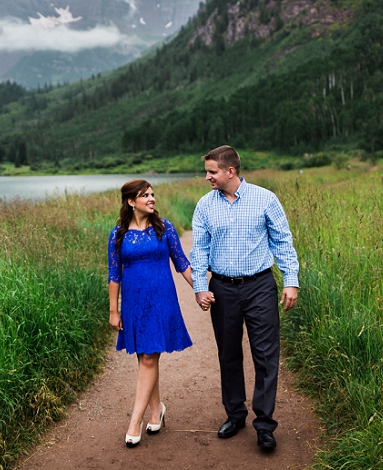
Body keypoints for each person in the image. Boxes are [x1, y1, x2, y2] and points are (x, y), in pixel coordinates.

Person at [190, 145, 299, 451]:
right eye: (207, 172)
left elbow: (283, 242)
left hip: (260, 286)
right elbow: (199, 250)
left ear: (230, 171)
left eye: (212, 172)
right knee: (228, 353)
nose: (208, 177)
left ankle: (264, 424)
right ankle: (235, 414)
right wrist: (201, 286)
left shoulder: (266, 199)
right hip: (222, 289)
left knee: (265, 356)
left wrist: (291, 281)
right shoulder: (204, 206)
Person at [108, 179, 199, 447]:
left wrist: (201, 290)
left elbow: (182, 264)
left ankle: (134, 421)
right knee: (145, 357)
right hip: (135, 303)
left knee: (148, 357)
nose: (151, 199)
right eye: (144, 195)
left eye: (152, 194)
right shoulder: (118, 234)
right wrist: (114, 311)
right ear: (130, 201)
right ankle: (156, 409)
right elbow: (114, 275)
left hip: (161, 301)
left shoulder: (164, 228)